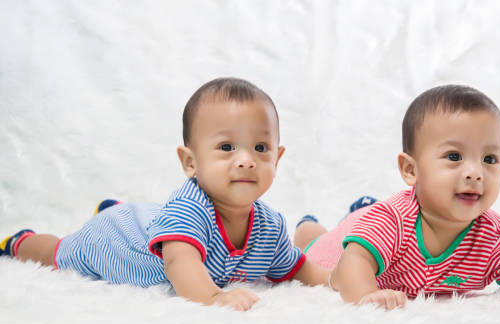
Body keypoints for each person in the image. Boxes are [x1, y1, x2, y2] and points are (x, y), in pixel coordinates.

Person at [1, 77, 329, 311]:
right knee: (62, 252)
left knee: (155, 218)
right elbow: (179, 262)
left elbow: (297, 267)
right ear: (190, 162)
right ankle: (21, 242)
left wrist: (335, 280)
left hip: (151, 220)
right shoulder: (191, 210)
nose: (245, 160)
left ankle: (115, 208)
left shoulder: (269, 226)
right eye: (226, 147)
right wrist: (213, 298)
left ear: (277, 157)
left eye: (260, 148)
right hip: (116, 239)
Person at [294, 84, 500, 310]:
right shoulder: (393, 221)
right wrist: (365, 294)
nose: (476, 172)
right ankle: (308, 227)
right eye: (454, 156)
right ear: (411, 170)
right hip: (351, 239)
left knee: (364, 220)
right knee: (313, 249)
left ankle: (360, 209)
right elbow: (354, 262)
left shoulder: (496, 235)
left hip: (371, 223)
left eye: (490, 159)